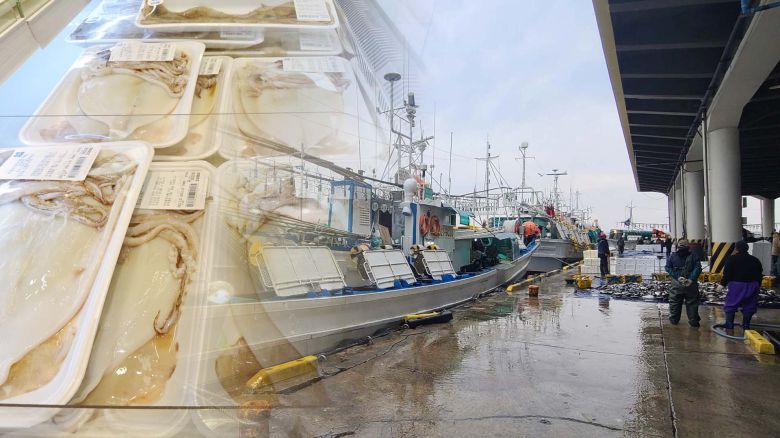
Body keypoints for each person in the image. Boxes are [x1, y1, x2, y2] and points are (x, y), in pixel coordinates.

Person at [719, 241, 763, 329]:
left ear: (736, 249)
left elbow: (727, 273)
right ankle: (746, 324)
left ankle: (729, 324)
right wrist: (758, 284)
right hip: (753, 285)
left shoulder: (732, 259)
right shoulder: (755, 259)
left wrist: (722, 284)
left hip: (737, 285)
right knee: (750, 304)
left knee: (731, 303)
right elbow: (760, 273)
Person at [665, 239, 702, 327]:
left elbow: (668, 268)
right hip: (691, 284)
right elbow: (698, 268)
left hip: (677, 283)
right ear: (688, 246)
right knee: (692, 302)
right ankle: (693, 321)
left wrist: (678, 277)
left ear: (677, 246)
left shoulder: (672, 256)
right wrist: (691, 279)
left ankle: (674, 320)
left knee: (675, 302)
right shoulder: (693, 255)